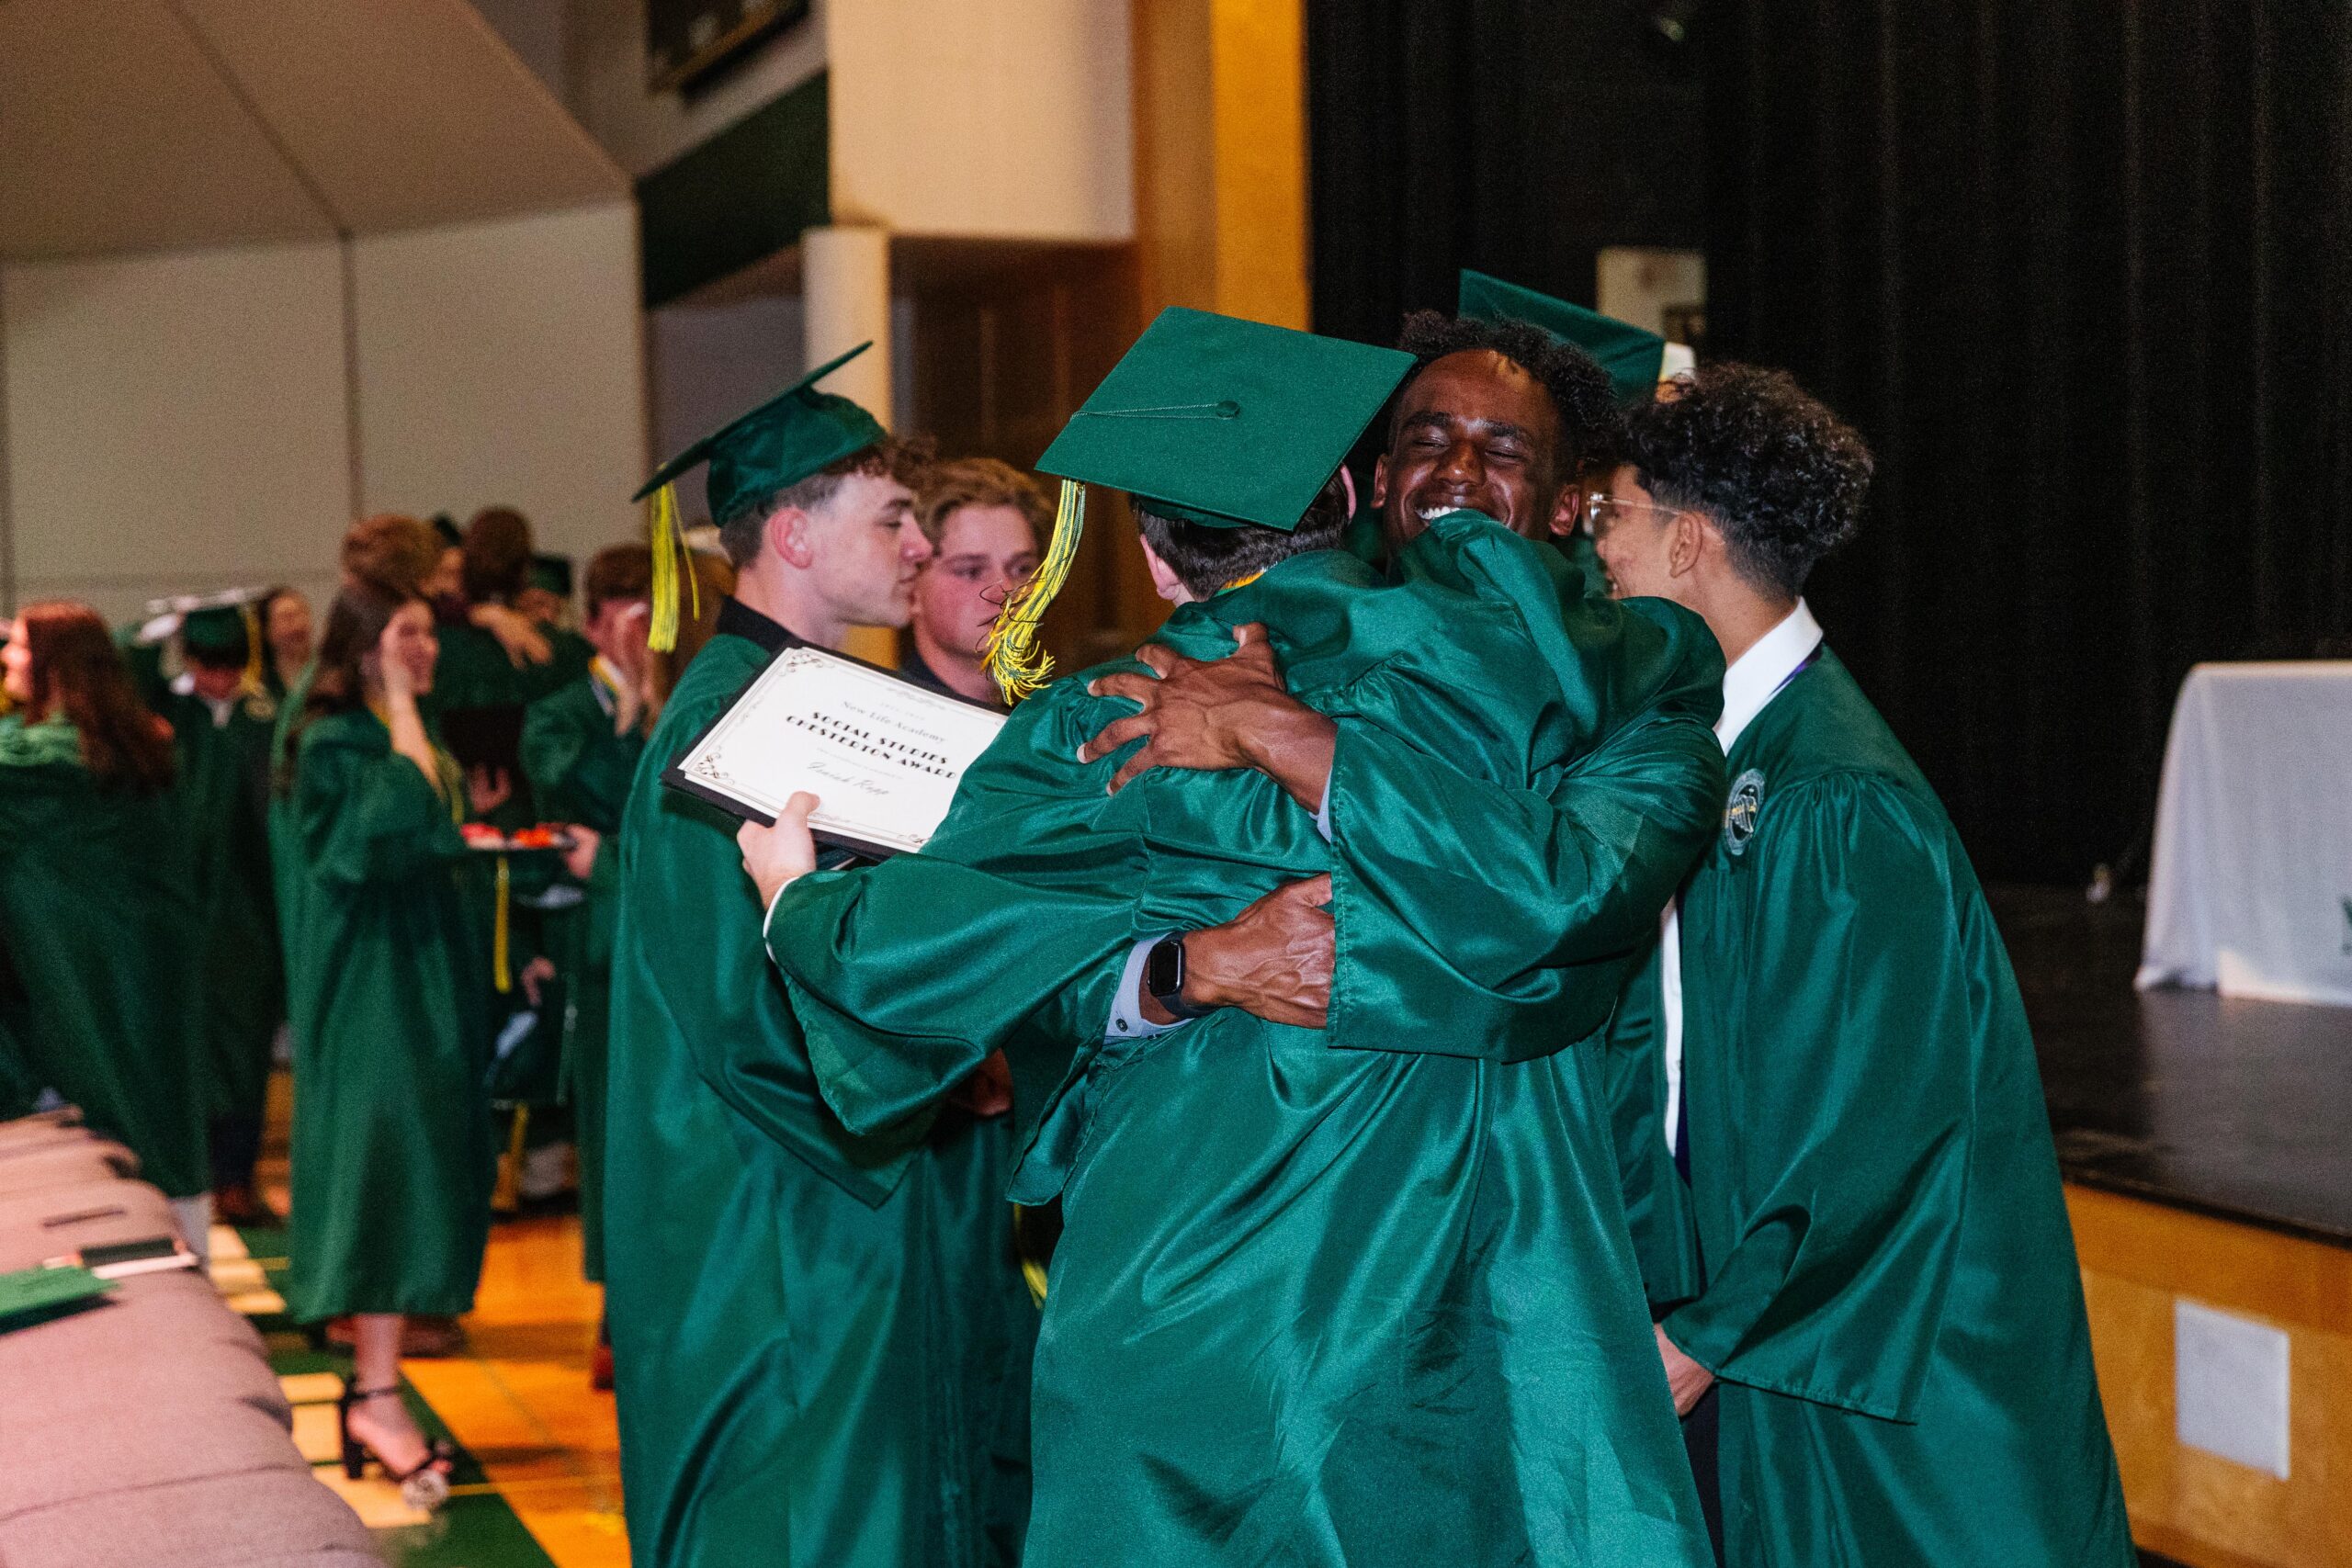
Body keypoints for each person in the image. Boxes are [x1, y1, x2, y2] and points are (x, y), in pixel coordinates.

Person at [749, 309, 1729, 1566]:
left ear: (1158, 563)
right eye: (1431, 441)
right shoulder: (1624, 685)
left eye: (1502, 451)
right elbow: (1562, 936)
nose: (1460, 476)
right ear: (1354, 489)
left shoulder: (1112, 712)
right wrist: (1185, 968)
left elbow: (903, 952)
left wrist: (793, 897)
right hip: (1492, 1294)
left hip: (1205, 1290)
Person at [1589, 365, 2134, 1565]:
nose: (1594, 553)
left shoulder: (1832, 796)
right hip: (1787, 1306)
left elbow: (1870, 1132)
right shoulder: (1735, 751)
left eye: (1607, 518)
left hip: (1886, 1347)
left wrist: (1704, 1333)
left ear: (1686, 543)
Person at [605, 344, 1036, 1568]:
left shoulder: (808, 695)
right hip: (787, 1224)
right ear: (791, 532)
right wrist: (949, 1070)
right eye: (896, 516)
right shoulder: (730, 725)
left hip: (860, 1198)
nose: (917, 543)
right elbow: (745, 1014)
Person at [276, 580, 499, 1513]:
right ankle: (373, 1396)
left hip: (426, 980)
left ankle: (380, 1384)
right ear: (365, 646)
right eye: (407, 633)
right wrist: (404, 713)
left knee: (427, 1170)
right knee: (384, 1174)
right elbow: (371, 842)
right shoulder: (335, 741)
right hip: (372, 990)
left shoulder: (406, 734)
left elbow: (434, 831)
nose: (427, 649)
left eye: (428, 635)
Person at [0, 604, 208, 1247]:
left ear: (54, 664)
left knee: (125, 1113)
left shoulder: (47, 762)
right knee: (162, 1111)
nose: (6, 656)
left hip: (97, 972)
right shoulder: (133, 742)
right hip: (153, 964)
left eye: (18, 646)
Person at [520, 547, 652, 1308]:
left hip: (666, 935)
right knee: (609, 1122)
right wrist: (631, 719)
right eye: (629, 619)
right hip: (600, 939)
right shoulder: (560, 712)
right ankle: (613, 1308)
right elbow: (576, 792)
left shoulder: (689, 701)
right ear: (595, 622)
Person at [153, 591, 286, 1226]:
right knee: (192, 1045)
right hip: (184, 911)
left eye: (232, 662)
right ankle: (196, 1173)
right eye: (208, 661)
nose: (220, 677)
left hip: (250, 915)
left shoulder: (268, 718)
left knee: (248, 1050)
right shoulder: (164, 715)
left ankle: (237, 1175)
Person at [901, 458, 1046, 704]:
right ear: (911, 589)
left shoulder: (1045, 724)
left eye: (1022, 568)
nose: (1007, 590)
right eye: (971, 571)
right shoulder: (883, 721)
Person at [262, 587, 314, 696]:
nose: (299, 625)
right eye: (287, 618)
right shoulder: (260, 685)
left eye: (303, 614)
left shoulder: (326, 673)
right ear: (268, 631)